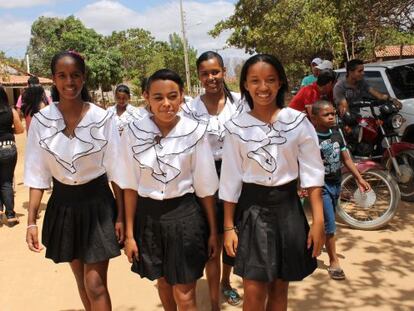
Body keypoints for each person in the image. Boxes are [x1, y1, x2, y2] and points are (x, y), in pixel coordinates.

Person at [220, 54, 325, 310]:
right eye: (255, 80)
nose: (263, 87)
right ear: (245, 84)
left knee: (279, 290)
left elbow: (312, 172)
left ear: (280, 83)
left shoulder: (297, 122)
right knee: (254, 292)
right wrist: (228, 226)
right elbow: (231, 179)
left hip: (287, 210)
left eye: (270, 80)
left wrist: (319, 221)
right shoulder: (236, 127)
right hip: (252, 211)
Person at [24, 50, 124, 311]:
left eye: (76, 75)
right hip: (64, 206)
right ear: (54, 80)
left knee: (95, 284)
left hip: (98, 205)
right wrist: (31, 221)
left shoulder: (102, 118)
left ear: (84, 78)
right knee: (80, 280)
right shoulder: (41, 121)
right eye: (62, 76)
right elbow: (37, 174)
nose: (70, 82)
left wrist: (122, 216)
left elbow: (117, 171)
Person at [115, 69, 219, 311]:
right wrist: (130, 235)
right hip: (148, 218)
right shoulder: (132, 132)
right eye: (158, 97)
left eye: (173, 96)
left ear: (182, 96)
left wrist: (213, 231)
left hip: (185, 218)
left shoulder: (195, 132)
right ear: (146, 97)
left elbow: (205, 188)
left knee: (185, 294)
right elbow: (129, 187)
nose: (166, 104)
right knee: (162, 282)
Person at [181, 51, 247, 309]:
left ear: (223, 73)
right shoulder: (189, 109)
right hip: (204, 178)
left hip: (237, 176)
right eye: (205, 73)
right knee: (213, 238)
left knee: (233, 235)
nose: (211, 77)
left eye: (215, 71)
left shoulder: (241, 103)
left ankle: (226, 282)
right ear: (199, 76)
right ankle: (212, 300)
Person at [311, 100, 371, 280]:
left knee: (324, 220)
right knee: (330, 224)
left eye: (333, 114)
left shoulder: (337, 134)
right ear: (314, 118)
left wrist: (359, 177)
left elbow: (346, 158)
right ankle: (334, 261)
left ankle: (313, 239)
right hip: (320, 186)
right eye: (326, 114)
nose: (331, 117)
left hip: (336, 183)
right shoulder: (311, 137)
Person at [334, 59, 402, 116]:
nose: (363, 73)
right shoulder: (340, 87)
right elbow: (345, 109)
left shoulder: (361, 82)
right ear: (350, 72)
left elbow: (378, 95)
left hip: (359, 116)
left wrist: (392, 100)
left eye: (363, 70)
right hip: (347, 120)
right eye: (360, 71)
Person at [0, 85, 24, 224]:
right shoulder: (11, 111)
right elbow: (20, 130)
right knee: (6, 181)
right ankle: (10, 215)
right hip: (7, 148)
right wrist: (8, 133)